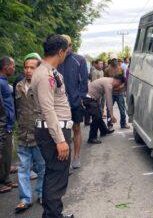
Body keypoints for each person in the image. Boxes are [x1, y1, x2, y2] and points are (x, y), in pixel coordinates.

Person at [31, 34, 74, 218]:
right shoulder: (44, 75)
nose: (66, 54)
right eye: (66, 51)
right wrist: (60, 140)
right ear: (60, 51)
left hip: (54, 129)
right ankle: (52, 216)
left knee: (54, 174)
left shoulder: (49, 71)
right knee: (56, 177)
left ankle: (53, 214)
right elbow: (48, 109)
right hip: (53, 132)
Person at [15, 53, 45, 213]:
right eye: (26, 67)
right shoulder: (18, 86)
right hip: (23, 135)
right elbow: (16, 109)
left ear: (38, 69)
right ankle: (24, 199)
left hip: (39, 134)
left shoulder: (43, 85)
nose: (28, 70)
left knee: (42, 167)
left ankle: (41, 193)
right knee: (23, 168)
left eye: (32, 67)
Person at [58, 35, 88, 169]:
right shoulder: (56, 60)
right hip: (59, 103)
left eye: (68, 45)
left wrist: (80, 98)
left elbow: (84, 82)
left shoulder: (79, 60)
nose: (67, 48)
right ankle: (65, 159)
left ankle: (76, 157)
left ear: (71, 45)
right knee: (62, 131)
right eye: (64, 45)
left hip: (75, 102)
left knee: (76, 129)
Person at [83, 76, 125, 143]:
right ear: (118, 81)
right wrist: (111, 115)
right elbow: (109, 101)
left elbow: (99, 93)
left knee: (98, 114)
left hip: (92, 98)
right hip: (88, 98)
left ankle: (104, 130)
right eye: (119, 85)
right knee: (96, 117)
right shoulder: (109, 85)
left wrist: (100, 107)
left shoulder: (109, 80)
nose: (118, 87)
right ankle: (92, 138)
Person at [0, 56, 17, 194]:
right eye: (12, 65)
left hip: (9, 125)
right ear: (5, 67)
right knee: (2, 153)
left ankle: (5, 179)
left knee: (7, 154)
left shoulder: (5, 82)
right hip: (3, 125)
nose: (14, 68)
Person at [104, 57, 130, 129]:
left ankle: (123, 123)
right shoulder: (107, 70)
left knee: (122, 110)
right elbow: (105, 81)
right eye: (113, 60)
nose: (115, 61)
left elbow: (124, 80)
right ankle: (109, 124)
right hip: (110, 93)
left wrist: (121, 87)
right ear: (111, 61)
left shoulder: (121, 69)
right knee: (109, 110)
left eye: (116, 60)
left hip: (119, 93)